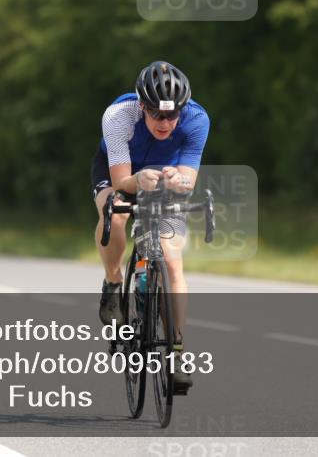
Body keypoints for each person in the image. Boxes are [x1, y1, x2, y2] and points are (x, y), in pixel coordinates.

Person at [91, 61, 209, 389]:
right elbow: (121, 183)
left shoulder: (197, 120)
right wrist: (137, 179)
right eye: (157, 114)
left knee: (172, 260)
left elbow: (189, 181)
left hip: (163, 177)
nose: (165, 122)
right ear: (142, 105)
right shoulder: (118, 116)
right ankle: (113, 283)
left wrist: (178, 179)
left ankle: (176, 352)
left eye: (172, 115)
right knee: (115, 214)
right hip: (123, 172)